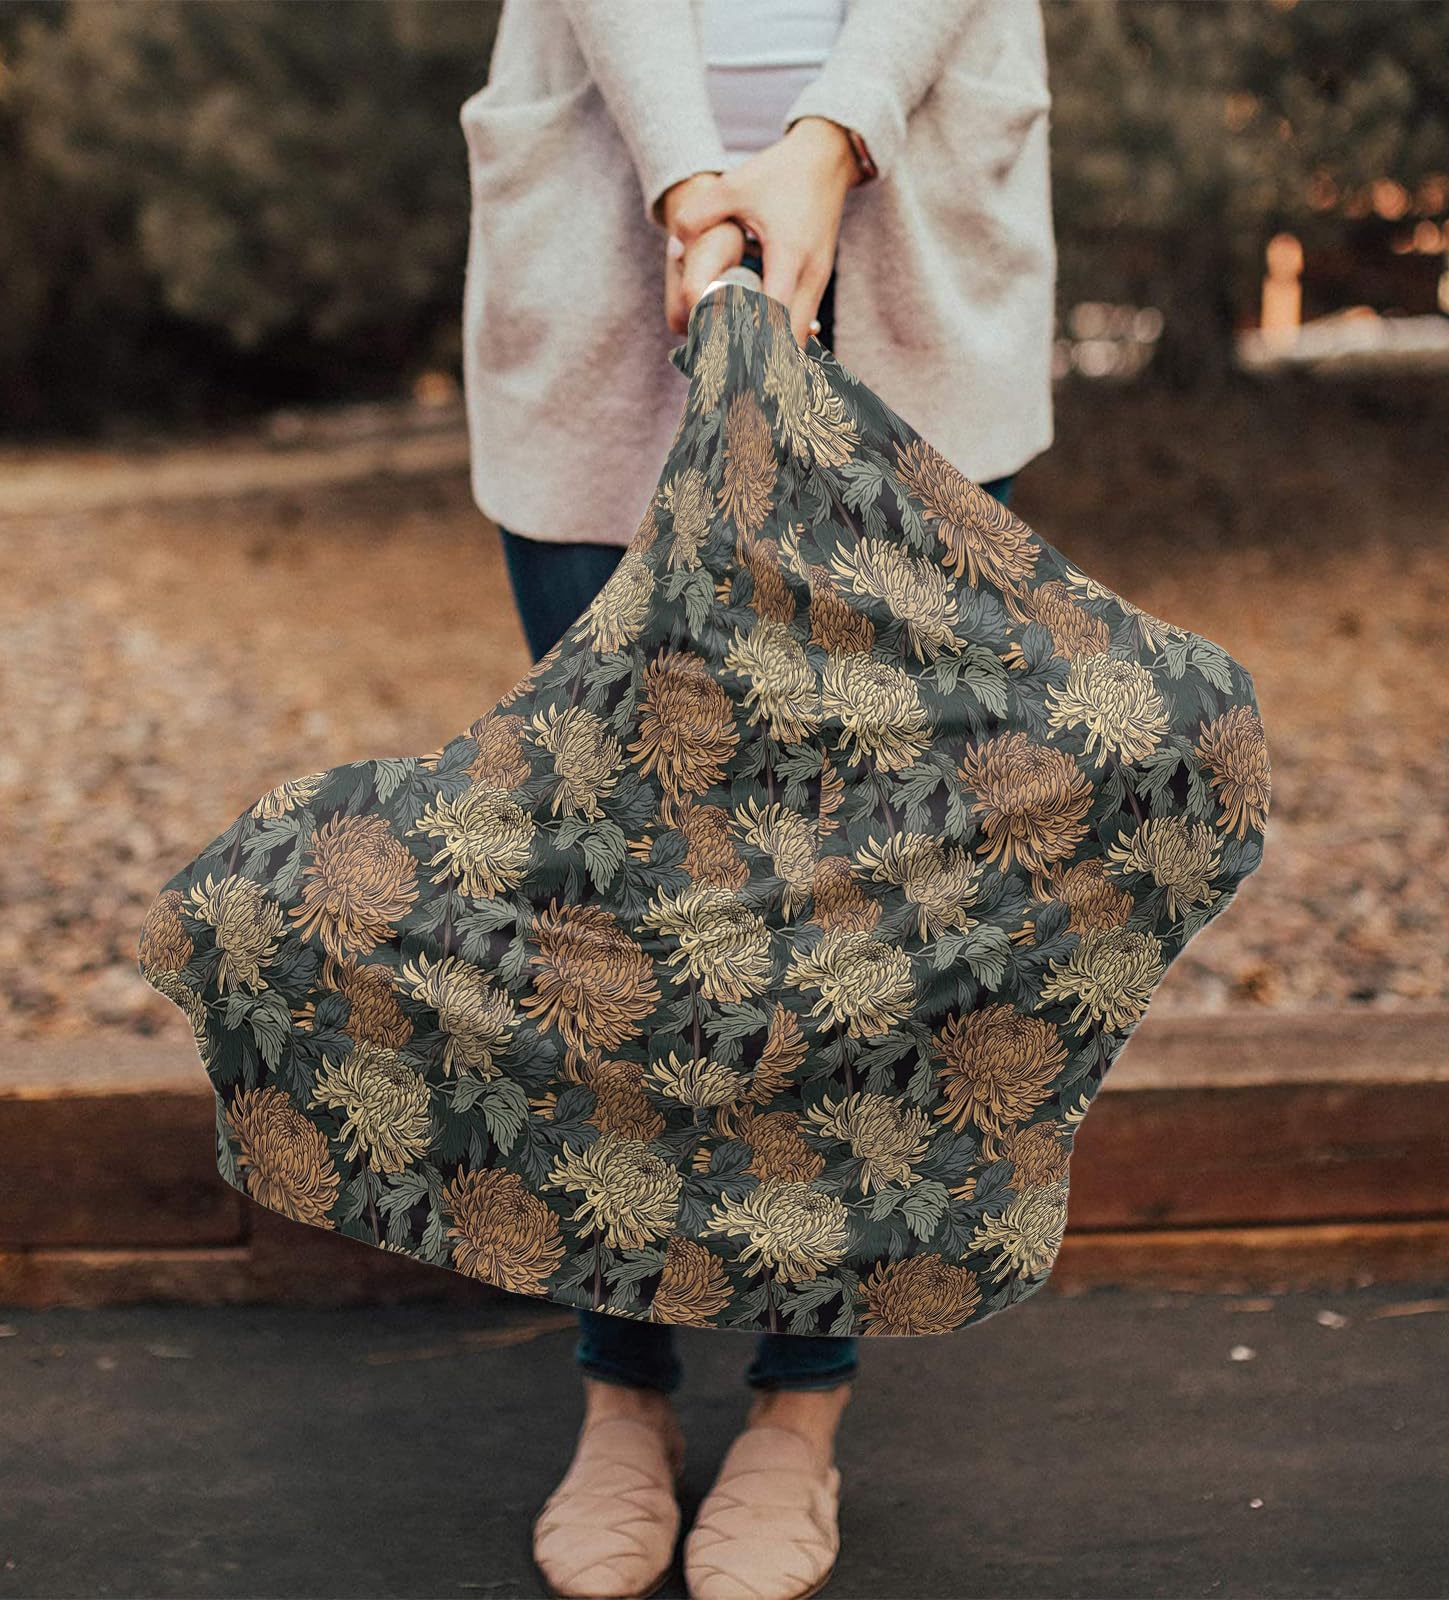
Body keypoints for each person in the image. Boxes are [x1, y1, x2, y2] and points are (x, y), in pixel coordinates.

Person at [458, 4, 1055, 1596]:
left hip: (910, 222)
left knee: (859, 895)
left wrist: (829, 136)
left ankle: (800, 1407)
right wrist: (685, 177)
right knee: (626, 880)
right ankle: (623, 1390)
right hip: (607, 214)